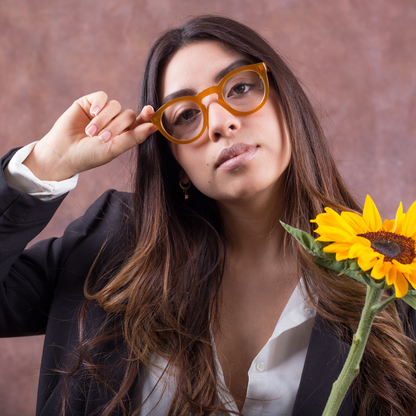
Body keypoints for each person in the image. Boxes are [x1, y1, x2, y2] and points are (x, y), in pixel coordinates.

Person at [1, 15, 415, 416]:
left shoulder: (393, 279)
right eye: (186, 115)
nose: (220, 123)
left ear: (287, 103)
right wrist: (45, 165)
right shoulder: (109, 243)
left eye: (239, 88)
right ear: (176, 160)